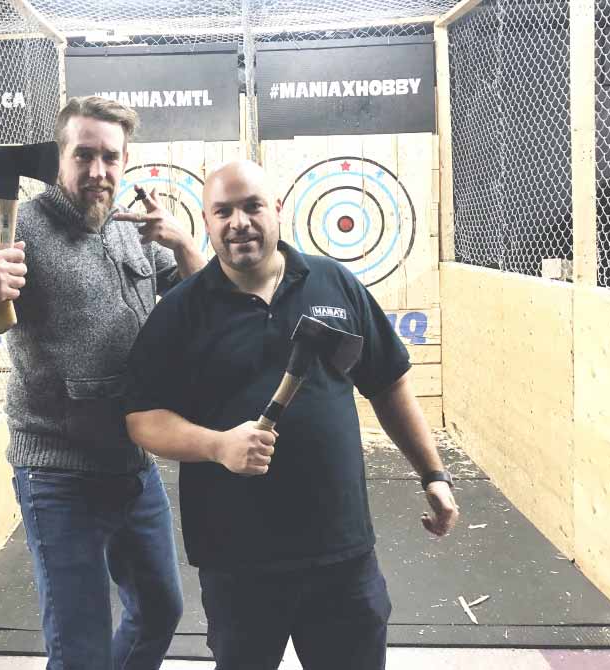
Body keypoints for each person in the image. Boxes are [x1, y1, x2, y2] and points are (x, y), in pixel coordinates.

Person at [123, 160, 459, 670]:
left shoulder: (334, 284)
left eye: (252, 206)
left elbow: (388, 382)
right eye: (223, 211)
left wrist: (432, 473)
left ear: (277, 210)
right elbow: (142, 418)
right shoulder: (181, 310)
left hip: (342, 553)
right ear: (207, 222)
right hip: (237, 561)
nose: (239, 222)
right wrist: (218, 445)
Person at [0, 96, 206, 670]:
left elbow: (203, 302)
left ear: (126, 161)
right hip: (58, 474)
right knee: (80, 650)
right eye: (85, 155)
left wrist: (183, 243)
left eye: (110, 158)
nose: (98, 172)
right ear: (60, 157)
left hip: (133, 462)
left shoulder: (129, 228)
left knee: (161, 611)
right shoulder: (20, 233)